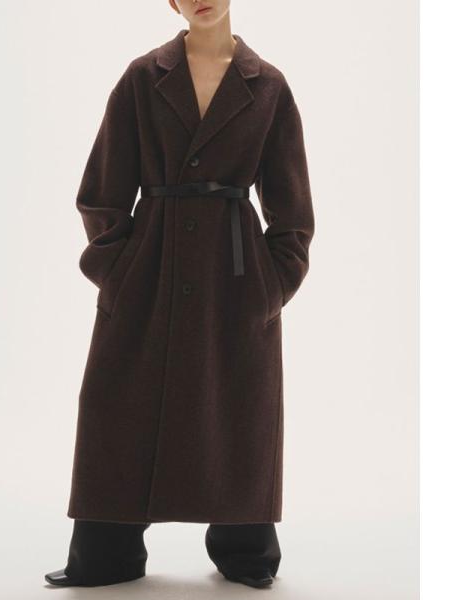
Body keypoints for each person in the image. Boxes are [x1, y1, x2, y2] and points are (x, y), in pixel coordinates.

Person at [45, 0, 314, 589]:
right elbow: (101, 193)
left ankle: (245, 551)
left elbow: (292, 214)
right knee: (118, 403)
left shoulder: (269, 86)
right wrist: (120, 270)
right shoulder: (142, 78)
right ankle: (106, 552)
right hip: (149, 272)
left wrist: (271, 286)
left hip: (234, 284)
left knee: (238, 410)